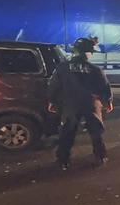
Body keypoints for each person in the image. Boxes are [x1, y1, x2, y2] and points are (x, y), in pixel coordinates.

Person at [48, 36, 113, 170]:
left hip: (71, 104)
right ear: (88, 53)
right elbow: (104, 87)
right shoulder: (95, 69)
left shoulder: (63, 68)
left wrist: (52, 101)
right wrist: (108, 101)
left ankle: (63, 161)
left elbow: (54, 86)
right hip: (91, 104)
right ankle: (100, 156)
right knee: (96, 132)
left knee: (67, 133)